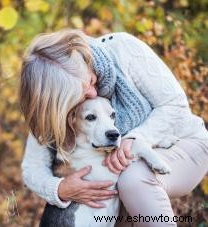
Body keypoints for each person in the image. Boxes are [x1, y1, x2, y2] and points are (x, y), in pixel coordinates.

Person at [19, 29, 208, 226]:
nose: (93, 93)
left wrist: (135, 138)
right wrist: (59, 189)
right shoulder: (53, 106)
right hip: (117, 173)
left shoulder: (123, 49)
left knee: (131, 178)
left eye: (90, 81)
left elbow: (175, 106)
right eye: (79, 97)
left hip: (183, 143)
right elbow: (33, 168)